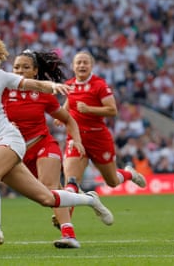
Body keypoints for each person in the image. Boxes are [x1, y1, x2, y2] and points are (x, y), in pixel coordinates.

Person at [0, 26, 114, 246]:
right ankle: (90, 200)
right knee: (46, 198)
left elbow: (31, 84)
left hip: (9, 138)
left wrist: (52, 86)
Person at [2, 50, 85, 248]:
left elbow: (68, 119)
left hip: (43, 144)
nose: (20, 71)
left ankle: (69, 235)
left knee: (50, 186)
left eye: (25, 67)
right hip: (18, 153)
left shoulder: (43, 94)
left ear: (35, 71)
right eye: (16, 67)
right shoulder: (2, 91)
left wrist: (78, 141)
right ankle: (73, 191)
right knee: (45, 199)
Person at [54, 51, 146, 227]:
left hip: (98, 138)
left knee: (111, 181)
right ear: (73, 66)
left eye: (85, 62)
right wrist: (62, 114)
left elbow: (112, 110)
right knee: (71, 181)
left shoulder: (100, 85)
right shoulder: (69, 84)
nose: (81, 65)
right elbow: (70, 103)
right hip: (76, 138)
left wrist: (89, 109)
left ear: (91, 66)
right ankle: (66, 225)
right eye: (78, 62)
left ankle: (129, 173)